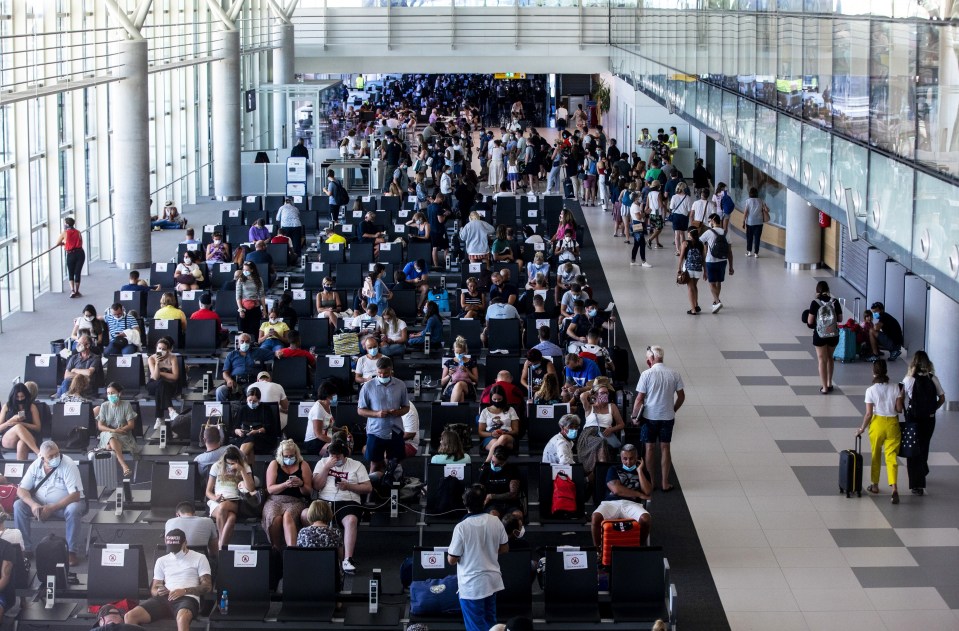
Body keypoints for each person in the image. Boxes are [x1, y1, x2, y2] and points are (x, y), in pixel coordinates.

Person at [447, 483, 509, 631]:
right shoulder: (495, 521)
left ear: (464, 503)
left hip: (472, 586)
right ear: (484, 501)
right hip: (492, 582)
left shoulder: (461, 527)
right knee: (491, 625)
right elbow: (505, 548)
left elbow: (451, 559)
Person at [13, 441, 87, 564]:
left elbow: (75, 495)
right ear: (42, 457)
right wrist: (33, 504)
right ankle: (25, 549)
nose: (55, 458)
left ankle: (71, 551)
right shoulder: (36, 465)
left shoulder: (68, 464)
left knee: (73, 509)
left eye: (57, 454)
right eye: (50, 456)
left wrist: (52, 508)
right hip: (40, 504)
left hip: (64, 505)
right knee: (18, 505)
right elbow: (21, 489)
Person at [124, 529, 212, 631]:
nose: (174, 552)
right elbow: (154, 587)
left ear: (185, 543)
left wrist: (184, 591)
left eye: (176, 548)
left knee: (182, 618)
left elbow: (207, 586)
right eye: (171, 548)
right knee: (130, 616)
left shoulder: (200, 558)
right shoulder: (162, 561)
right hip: (165, 598)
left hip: (187, 598)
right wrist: (159, 591)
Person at [312, 439, 371, 573]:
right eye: (332, 455)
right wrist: (326, 468)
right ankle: (315, 554)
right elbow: (316, 486)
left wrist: (349, 486)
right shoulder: (322, 463)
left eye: (337, 456)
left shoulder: (357, 465)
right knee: (306, 515)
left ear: (344, 454)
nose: (335, 458)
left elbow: (368, 488)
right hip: (324, 501)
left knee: (351, 520)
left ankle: (347, 559)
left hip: (348, 501)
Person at [632, 345, 685, 492]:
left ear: (652, 358)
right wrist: (673, 409)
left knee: (650, 448)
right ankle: (665, 482)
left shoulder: (646, 374)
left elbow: (639, 399)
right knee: (665, 447)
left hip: (650, 417)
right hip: (667, 417)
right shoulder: (674, 373)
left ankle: (652, 482)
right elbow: (681, 397)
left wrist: (634, 416)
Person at [590, 444, 652, 559]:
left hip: (631, 504)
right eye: (625, 458)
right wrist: (638, 494)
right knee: (595, 517)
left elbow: (647, 492)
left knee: (646, 519)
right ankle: (598, 550)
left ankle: (639, 546)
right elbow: (617, 490)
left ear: (637, 458)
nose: (628, 462)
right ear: (621, 458)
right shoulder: (613, 469)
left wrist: (639, 471)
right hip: (611, 503)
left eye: (631, 458)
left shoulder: (643, 472)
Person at [857, 359, 904, 503]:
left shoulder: (870, 390)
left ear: (873, 372)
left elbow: (869, 414)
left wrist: (861, 428)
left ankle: (875, 485)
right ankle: (894, 487)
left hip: (877, 424)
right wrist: (901, 396)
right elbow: (899, 409)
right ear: (886, 371)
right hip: (892, 424)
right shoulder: (896, 387)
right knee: (891, 457)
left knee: (876, 454)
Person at [902, 351, 946, 496]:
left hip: (913, 418)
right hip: (929, 419)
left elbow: (900, 396)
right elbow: (942, 398)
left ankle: (917, 484)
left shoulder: (909, 379)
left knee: (913, 448)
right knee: (924, 445)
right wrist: (933, 409)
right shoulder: (933, 378)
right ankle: (923, 469)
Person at [357, 357, 410, 475]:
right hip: (375, 431)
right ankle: (372, 491)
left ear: (391, 370)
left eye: (385, 373)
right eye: (379, 373)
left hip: (395, 430)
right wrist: (377, 414)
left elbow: (406, 407)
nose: (382, 376)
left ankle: (395, 489)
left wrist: (397, 412)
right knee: (375, 464)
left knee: (395, 464)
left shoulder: (400, 385)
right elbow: (360, 411)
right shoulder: (367, 386)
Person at [263, 439, 312, 550]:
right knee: (274, 517)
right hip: (275, 499)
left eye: (291, 456)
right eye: (286, 456)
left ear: (296, 454)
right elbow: (270, 489)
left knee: (288, 516)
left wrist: (301, 484)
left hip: (296, 500)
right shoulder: (274, 464)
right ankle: (276, 548)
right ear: (281, 455)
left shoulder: (303, 465)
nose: (289, 458)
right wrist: (285, 485)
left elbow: (308, 491)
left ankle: (292, 549)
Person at [205, 445, 256, 549]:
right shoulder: (217, 466)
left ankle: (220, 544)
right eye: (228, 463)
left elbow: (251, 488)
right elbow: (208, 492)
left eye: (233, 464)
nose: (230, 466)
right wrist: (215, 498)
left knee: (223, 507)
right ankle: (223, 548)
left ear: (238, 460)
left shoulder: (245, 466)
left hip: (235, 501)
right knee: (231, 518)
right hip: (217, 501)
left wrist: (241, 470)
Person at [577, 377, 626, 475]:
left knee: (601, 442)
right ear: (596, 394)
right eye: (602, 393)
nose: (605, 395)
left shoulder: (612, 406)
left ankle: (595, 475)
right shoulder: (590, 407)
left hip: (605, 434)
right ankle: (602, 474)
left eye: (607, 393)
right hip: (588, 435)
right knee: (601, 442)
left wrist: (612, 429)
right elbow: (582, 396)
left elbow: (621, 424)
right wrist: (592, 390)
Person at [94, 382, 139, 477]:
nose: (110, 395)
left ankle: (109, 448)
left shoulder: (126, 405)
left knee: (110, 445)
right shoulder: (104, 406)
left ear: (119, 393)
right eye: (108, 393)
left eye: (112, 393)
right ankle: (124, 465)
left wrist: (121, 430)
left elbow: (131, 425)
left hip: (123, 434)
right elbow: (100, 426)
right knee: (111, 436)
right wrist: (114, 430)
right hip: (107, 433)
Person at [806, 281, 843, 394]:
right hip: (833, 335)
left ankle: (824, 388)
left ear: (817, 291)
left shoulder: (815, 303)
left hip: (820, 335)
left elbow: (810, 321)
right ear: (828, 290)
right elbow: (840, 319)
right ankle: (830, 383)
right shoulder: (835, 302)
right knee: (830, 358)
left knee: (822, 359)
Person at [229, 386, 280, 465]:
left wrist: (257, 431)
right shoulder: (243, 409)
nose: (252, 403)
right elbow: (234, 428)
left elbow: (271, 428)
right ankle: (248, 472)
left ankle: (237, 463)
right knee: (250, 448)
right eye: (250, 400)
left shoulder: (266, 409)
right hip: (245, 437)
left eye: (254, 401)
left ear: (259, 400)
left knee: (252, 439)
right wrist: (237, 431)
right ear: (246, 399)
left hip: (263, 438)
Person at [698, 213, 734, 313]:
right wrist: (731, 266)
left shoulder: (708, 232)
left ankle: (717, 301)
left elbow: (698, 242)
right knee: (718, 281)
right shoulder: (726, 233)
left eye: (709, 221)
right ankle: (715, 301)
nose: (709, 223)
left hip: (711, 260)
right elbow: (730, 252)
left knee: (711, 282)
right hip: (723, 261)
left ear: (713, 221)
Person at [296, 500, 343, 570]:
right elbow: (340, 556)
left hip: (307, 571)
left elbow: (299, 555)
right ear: (328, 513)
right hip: (329, 572)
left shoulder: (303, 532)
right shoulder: (335, 532)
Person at [0, 383, 42, 460]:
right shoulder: (7, 406)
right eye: (17, 397)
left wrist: (21, 423)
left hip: (28, 437)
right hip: (9, 437)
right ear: (13, 396)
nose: (20, 399)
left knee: (22, 443)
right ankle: (39, 453)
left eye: (22, 396)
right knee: (18, 427)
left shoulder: (32, 407)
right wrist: (10, 422)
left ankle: (20, 469)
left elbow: (38, 428)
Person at [478, 386, 520, 461]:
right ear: (491, 398)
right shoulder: (485, 411)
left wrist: (504, 433)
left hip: (507, 436)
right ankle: (498, 466)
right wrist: (492, 434)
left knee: (503, 438)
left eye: (499, 399)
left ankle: (487, 462)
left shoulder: (510, 410)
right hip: (490, 436)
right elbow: (480, 432)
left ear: (503, 398)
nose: (497, 401)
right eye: (494, 399)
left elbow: (516, 431)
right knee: (497, 446)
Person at [146, 336, 180, 430]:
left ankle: (159, 417)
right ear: (156, 348)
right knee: (160, 383)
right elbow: (155, 378)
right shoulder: (151, 359)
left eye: (163, 349)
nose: (161, 350)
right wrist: (157, 363)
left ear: (168, 350)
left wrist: (160, 373)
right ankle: (171, 410)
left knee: (161, 386)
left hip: (169, 385)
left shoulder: (173, 358)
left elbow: (175, 377)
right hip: (153, 384)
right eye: (159, 348)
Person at [56, 333, 102, 398]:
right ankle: (65, 399)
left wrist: (75, 370)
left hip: (86, 384)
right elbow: (66, 375)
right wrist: (81, 375)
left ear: (87, 345)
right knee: (66, 381)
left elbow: (89, 373)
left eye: (80, 343)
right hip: (72, 382)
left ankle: (63, 398)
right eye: (78, 342)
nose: (78, 345)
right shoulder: (74, 357)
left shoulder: (95, 358)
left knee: (65, 383)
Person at [441, 337, 479, 402]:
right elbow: (442, 383)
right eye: (456, 352)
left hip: (467, 386)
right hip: (452, 386)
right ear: (454, 350)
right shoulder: (449, 362)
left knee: (459, 384)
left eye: (460, 353)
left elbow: (476, 380)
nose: (458, 354)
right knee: (460, 394)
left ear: (465, 351)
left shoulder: (471, 362)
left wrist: (467, 370)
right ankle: (458, 411)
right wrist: (449, 374)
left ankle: (450, 408)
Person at [677, 227, 705, 315]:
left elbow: (681, 257)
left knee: (690, 288)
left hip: (689, 268)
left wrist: (679, 268)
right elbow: (703, 258)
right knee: (694, 286)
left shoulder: (685, 243)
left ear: (689, 234)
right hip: (698, 269)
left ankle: (693, 309)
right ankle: (696, 305)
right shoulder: (700, 244)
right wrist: (706, 271)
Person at [55, 217, 85, 298]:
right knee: (77, 272)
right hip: (80, 253)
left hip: (71, 254)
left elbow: (57, 243)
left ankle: (72, 291)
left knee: (71, 272)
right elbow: (81, 241)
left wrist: (64, 244)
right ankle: (77, 291)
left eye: (64, 223)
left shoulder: (64, 233)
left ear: (67, 224)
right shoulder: (78, 232)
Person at [236, 261, 267, 337]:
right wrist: (240, 309)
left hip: (255, 306)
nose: (244, 271)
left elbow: (262, 295)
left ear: (252, 270)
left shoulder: (259, 279)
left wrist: (264, 310)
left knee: (255, 329)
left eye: (246, 270)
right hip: (244, 307)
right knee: (243, 330)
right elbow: (238, 296)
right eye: (243, 270)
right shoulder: (240, 280)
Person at [305, 382, 336, 455]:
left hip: (324, 439)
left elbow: (327, 426)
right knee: (337, 450)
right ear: (328, 395)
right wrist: (334, 441)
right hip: (314, 442)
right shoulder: (317, 409)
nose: (336, 396)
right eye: (334, 394)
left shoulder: (327, 405)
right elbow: (318, 434)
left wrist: (340, 430)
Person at [741, 187, 768, 257]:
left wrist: (743, 221)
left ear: (750, 193)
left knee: (749, 237)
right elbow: (767, 210)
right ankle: (756, 253)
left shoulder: (748, 201)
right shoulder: (761, 201)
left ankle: (749, 252)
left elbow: (746, 212)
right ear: (757, 193)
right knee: (757, 238)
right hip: (759, 222)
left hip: (750, 222)